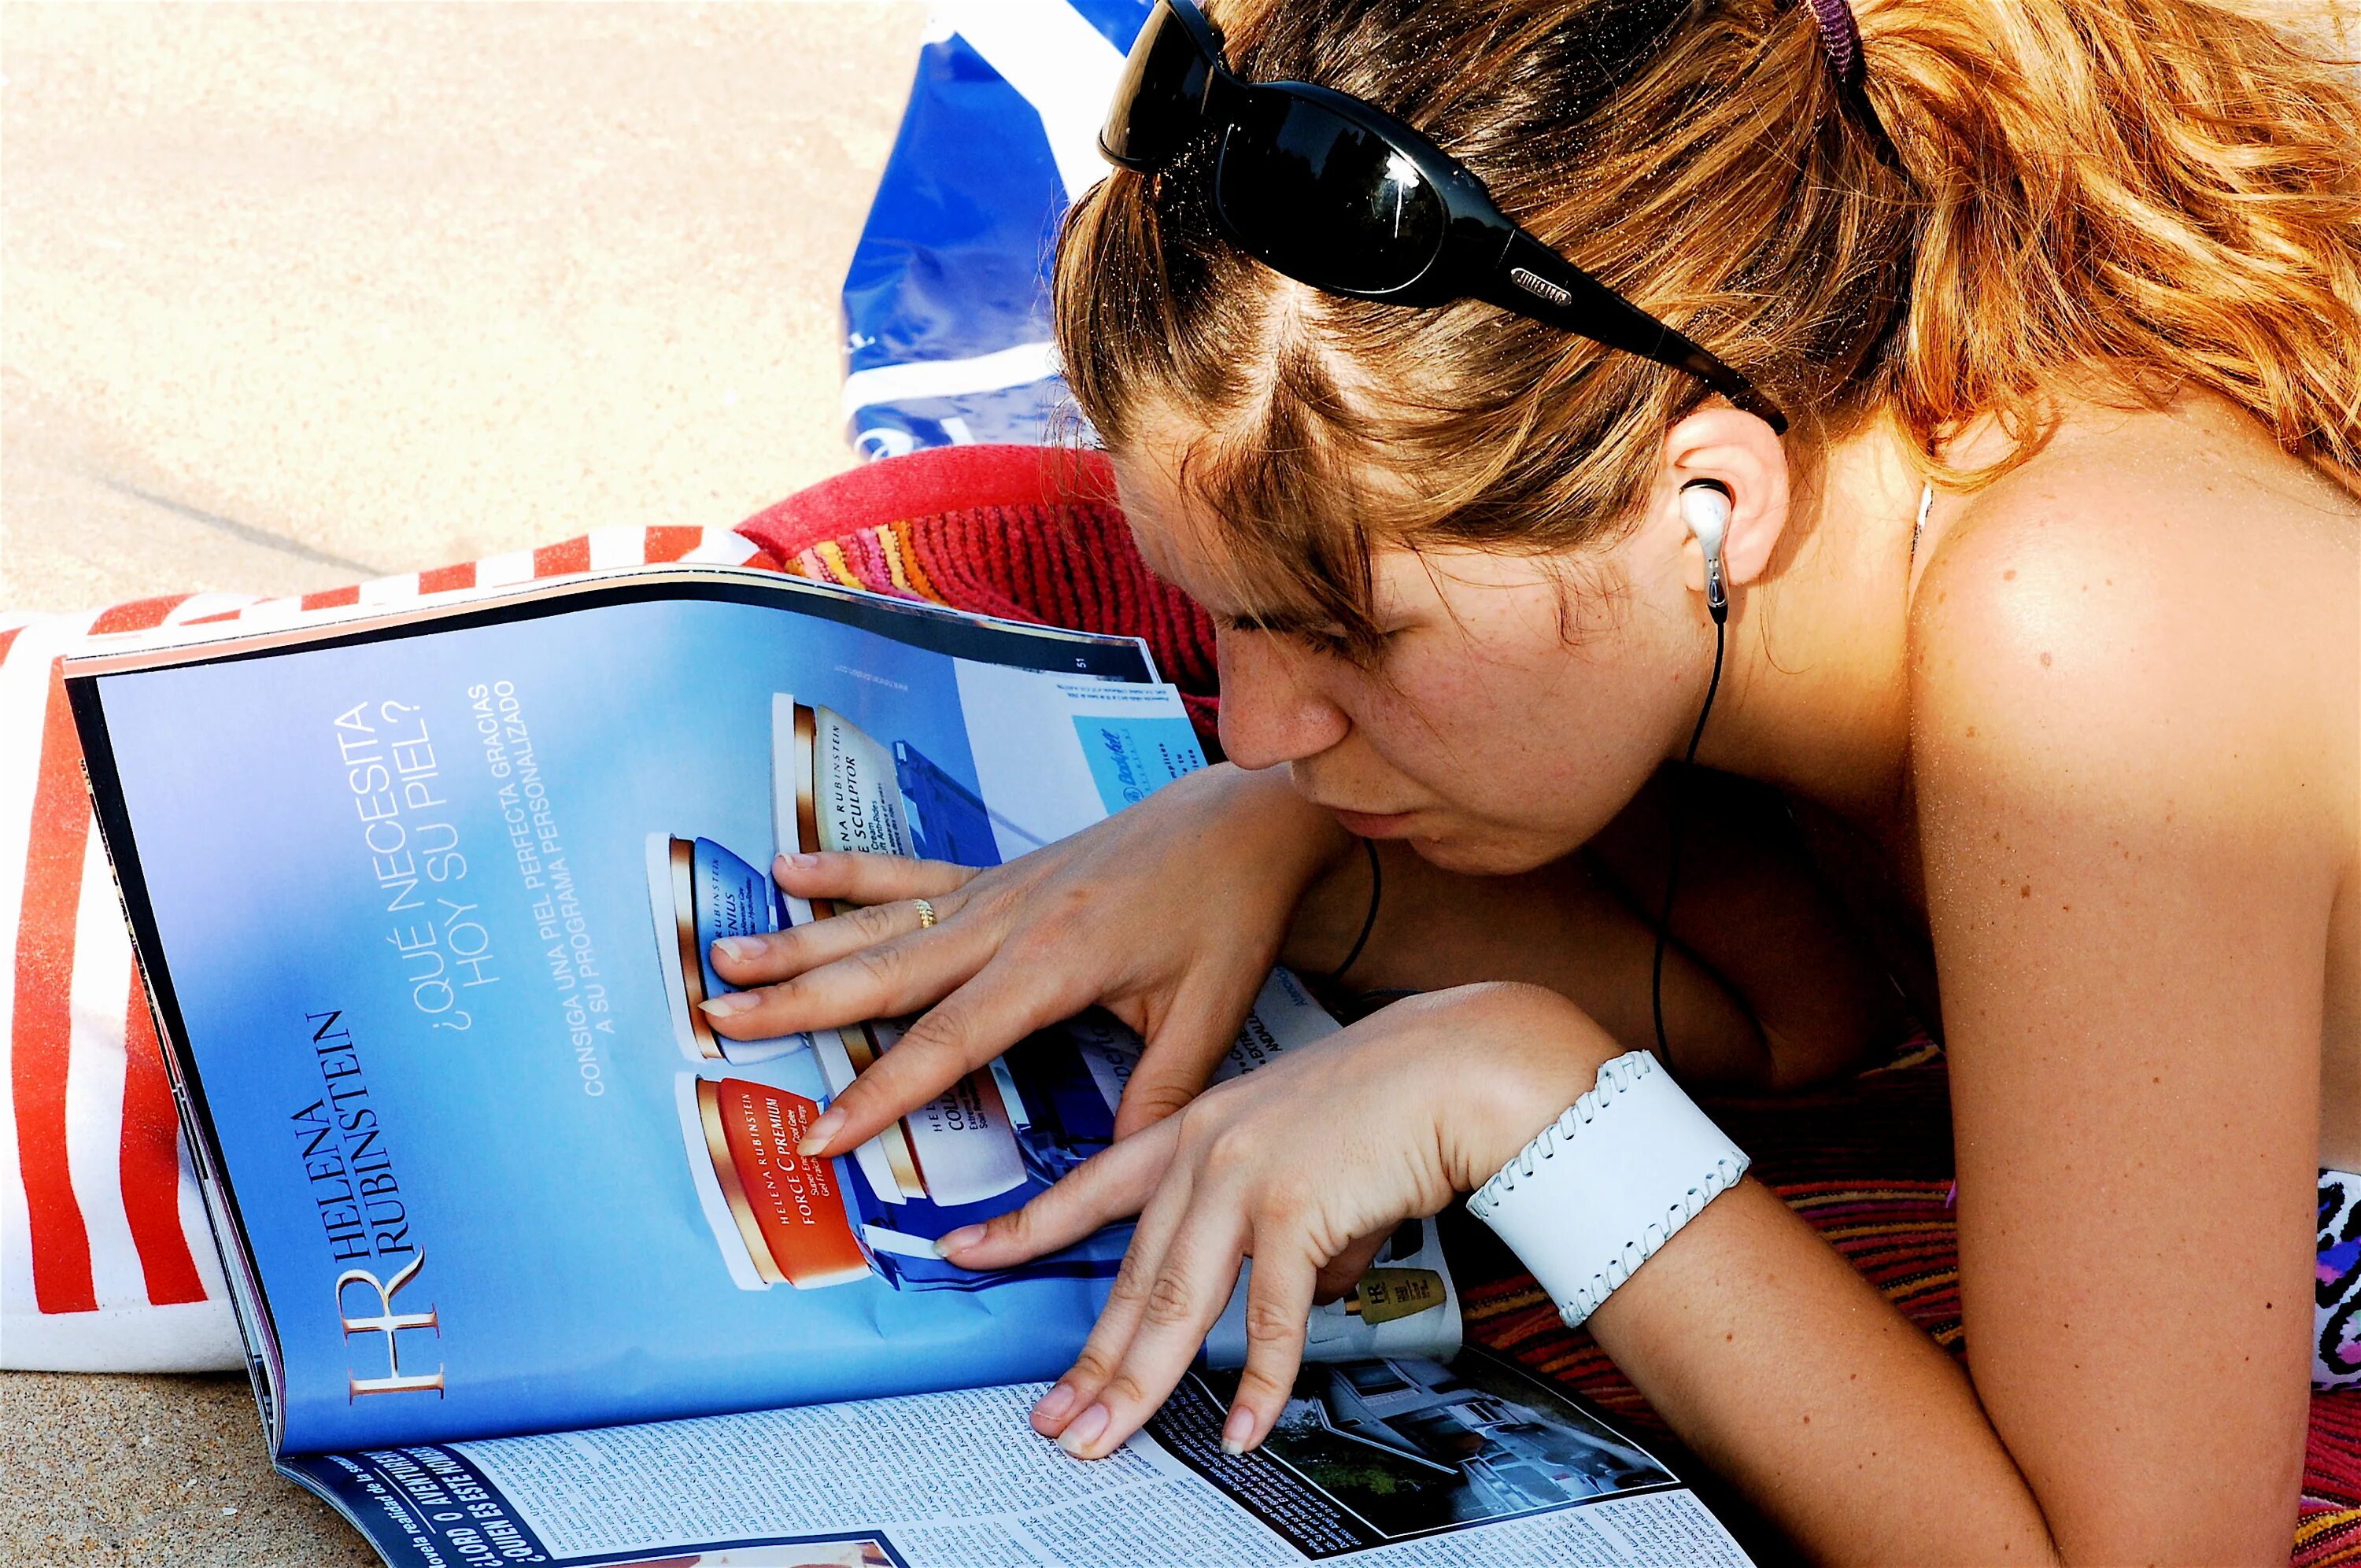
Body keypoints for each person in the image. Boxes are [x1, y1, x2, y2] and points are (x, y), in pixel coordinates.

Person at [696, 0, 2361, 1557]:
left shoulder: (2090, 635)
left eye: (1347, 631)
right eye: (1233, 623)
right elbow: (1809, 1010)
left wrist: (1522, 1099)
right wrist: (1273, 840)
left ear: (1710, 497)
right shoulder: (1811, 523)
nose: (1263, 716)